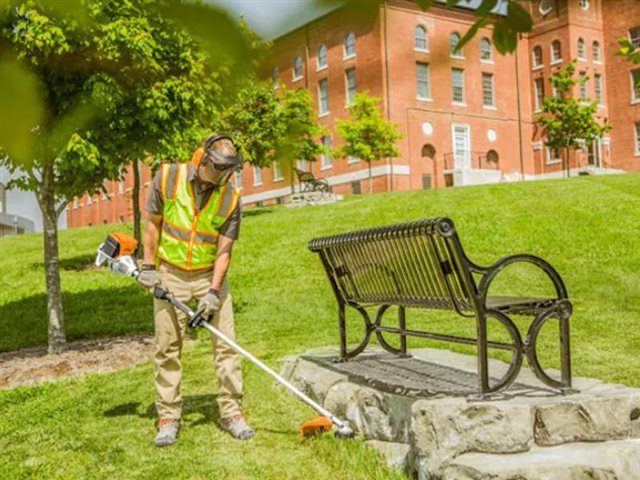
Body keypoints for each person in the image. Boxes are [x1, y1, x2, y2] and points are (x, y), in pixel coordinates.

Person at [137, 133, 254, 447]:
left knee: (226, 345)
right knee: (167, 347)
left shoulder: (231, 197)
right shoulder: (167, 177)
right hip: (170, 273)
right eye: (218, 167)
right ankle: (168, 417)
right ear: (201, 158)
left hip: (208, 275)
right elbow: (152, 224)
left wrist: (214, 292)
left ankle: (231, 413)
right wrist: (149, 268)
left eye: (229, 169)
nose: (224, 175)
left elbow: (224, 251)